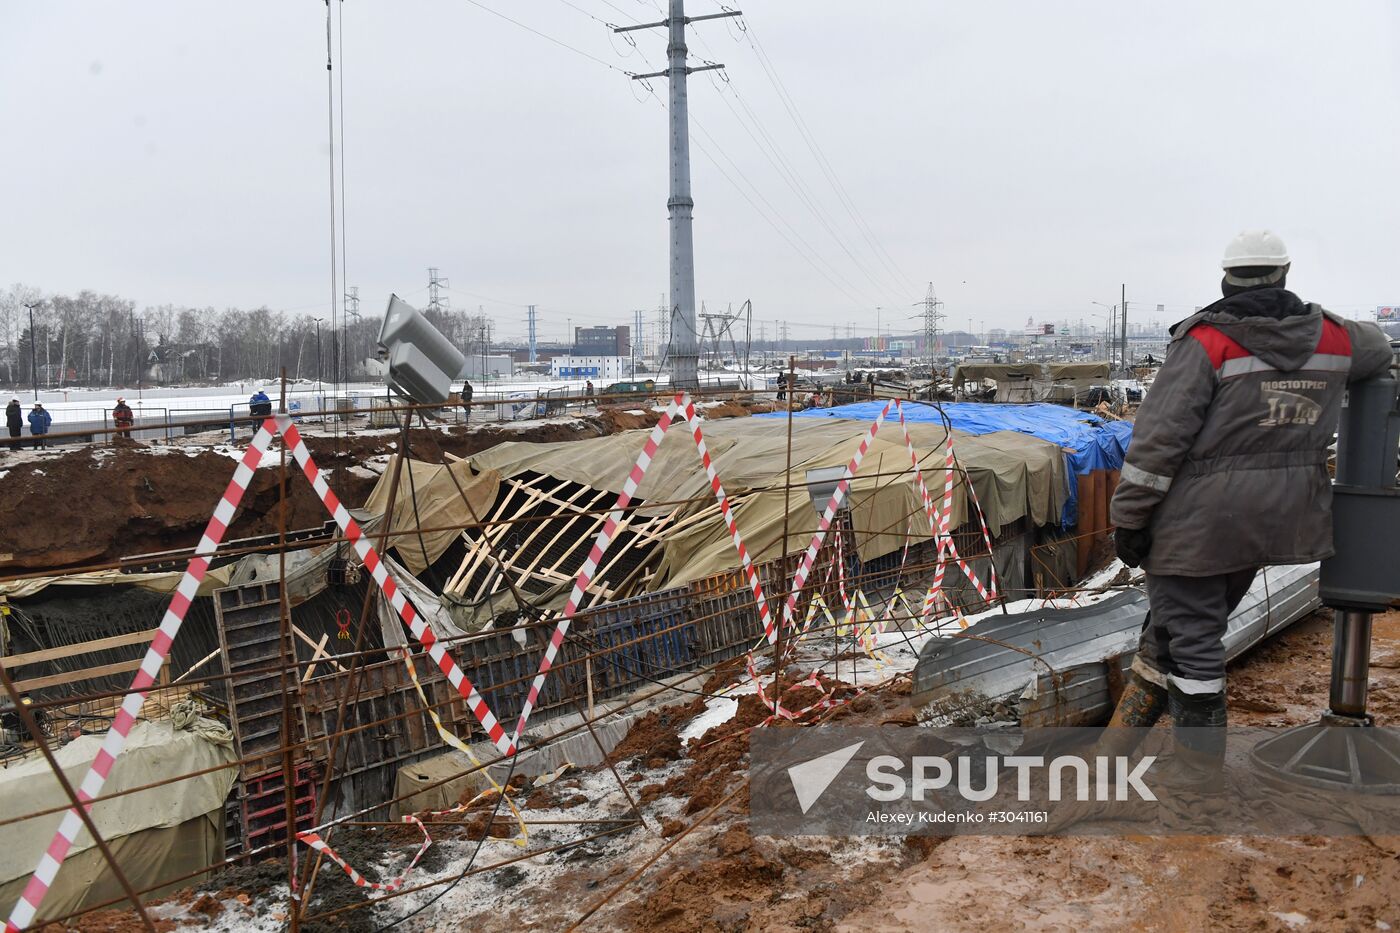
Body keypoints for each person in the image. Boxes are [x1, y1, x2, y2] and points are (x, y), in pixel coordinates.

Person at [1104, 230, 1393, 781]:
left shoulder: (1206, 342)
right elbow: (1377, 347)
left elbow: (1156, 446)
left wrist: (1129, 519)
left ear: (1226, 278)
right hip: (1277, 520)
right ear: (1284, 275)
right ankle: (1112, 755)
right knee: (1173, 627)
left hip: (1199, 523)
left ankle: (1197, 780)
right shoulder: (1333, 339)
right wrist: (1310, 316)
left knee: (1191, 642)